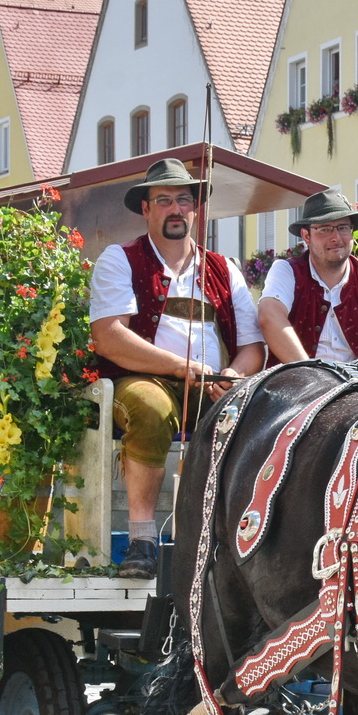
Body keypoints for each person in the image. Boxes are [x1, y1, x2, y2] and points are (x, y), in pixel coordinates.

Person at [89, 158, 267, 579]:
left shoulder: (224, 269)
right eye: (164, 200)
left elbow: (253, 347)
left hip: (213, 387)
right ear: (146, 209)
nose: (176, 209)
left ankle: (241, 540)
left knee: (265, 416)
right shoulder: (120, 259)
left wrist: (233, 377)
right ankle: (142, 540)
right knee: (150, 408)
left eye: (184, 200)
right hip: (142, 380)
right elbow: (109, 337)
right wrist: (179, 367)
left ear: (195, 209)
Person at [257, 188, 358, 366]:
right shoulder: (287, 271)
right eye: (325, 229)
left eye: (343, 228)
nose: (336, 237)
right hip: (296, 378)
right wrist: (309, 372)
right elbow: (269, 317)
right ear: (306, 236)